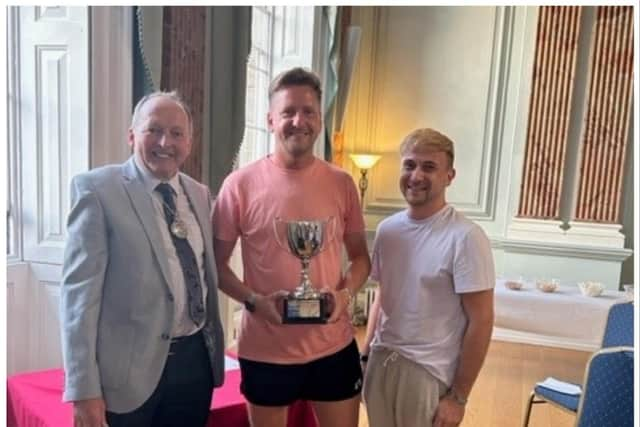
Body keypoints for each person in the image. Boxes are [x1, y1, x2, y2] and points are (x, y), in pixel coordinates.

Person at [213, 67, 371, 427]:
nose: (298, 121)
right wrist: (254, 301)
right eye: (288, 112)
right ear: (271, 120)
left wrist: (344, 297)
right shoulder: (239, 185)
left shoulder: (342, 183)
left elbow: (361, 258)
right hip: (266, 350)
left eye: (309, 111)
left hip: (333, 346)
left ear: (320, 120)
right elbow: (217, 266)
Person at [60, 91, 225, 427]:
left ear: (189, 143)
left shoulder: (200, 194)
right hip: (127, 375)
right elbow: (79, 299)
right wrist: (83, 389)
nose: (166, 142)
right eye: (154, 130)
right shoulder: (97, 190)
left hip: (195, 366)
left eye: (177, 133)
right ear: (132, 135)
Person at [361, 128, 495, 427]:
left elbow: (481, 321)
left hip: (427, 374)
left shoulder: (466, 237)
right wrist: (366, 355)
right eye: (409, 165)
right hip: (382, 362)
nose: (416, 175)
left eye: (429, 167)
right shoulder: (388, 230)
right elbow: (383, 296)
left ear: (450, 175)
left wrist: (459, 397)